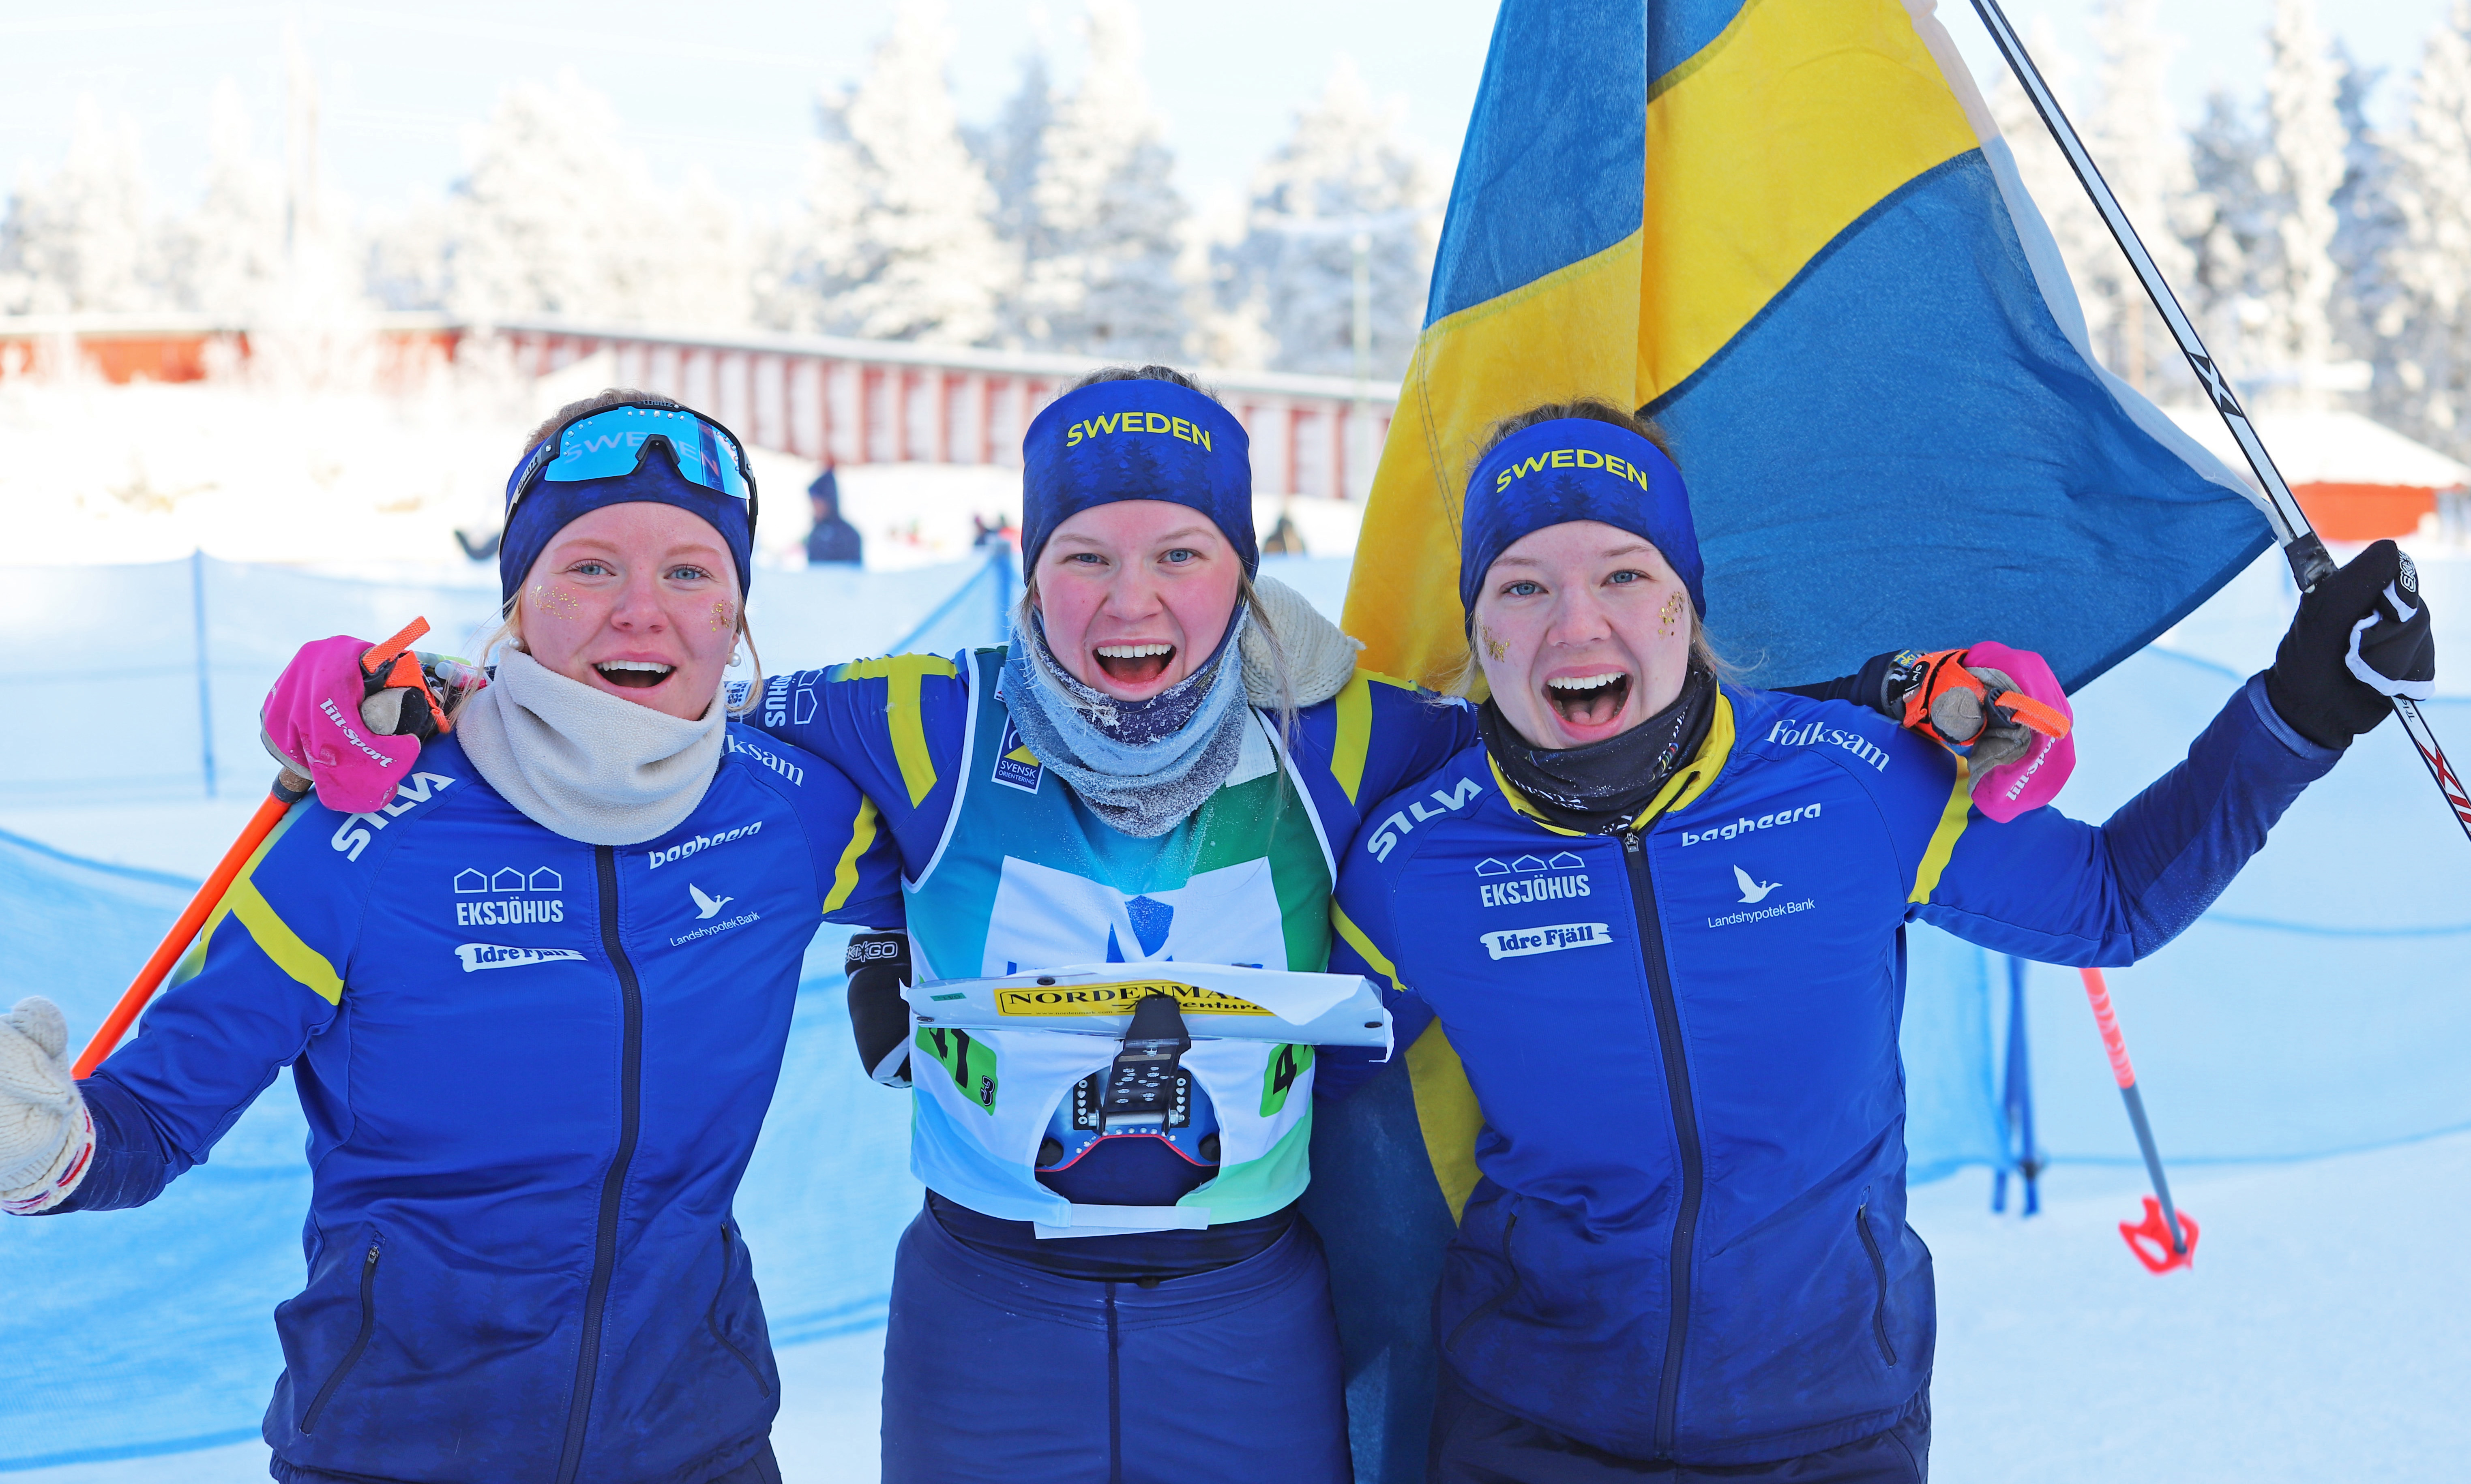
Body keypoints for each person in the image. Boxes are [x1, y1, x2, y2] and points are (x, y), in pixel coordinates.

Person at [242, 368, 2072, 1484]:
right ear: (1024, 567)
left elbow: (1608, 710)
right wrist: (421, 689)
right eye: (1083, 553)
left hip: (1242, 1309)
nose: (1133, 596)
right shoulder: (911, 722)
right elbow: (652, 712)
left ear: (1241, 565)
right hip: (982, 1308)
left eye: (1180, 550)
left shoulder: (1351, 735)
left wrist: (1899, 693)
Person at [1321, 400, 2432, 1482]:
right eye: (1522, 585)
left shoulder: (1850, 780)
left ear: (1683, 601)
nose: (1575, 625)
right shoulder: (1413, 859)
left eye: (1622, 572)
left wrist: (2301, 707)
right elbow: (1312, 1094)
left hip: (1827, 1421)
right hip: (1530, 1423)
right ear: (1478, 626)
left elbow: (2110, 900)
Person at [0, 392, 903, 1484]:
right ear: (517, 596)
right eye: (589, 565)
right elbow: (148, 1121)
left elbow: (981, 880)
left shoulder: (789, 812)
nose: (640, 609)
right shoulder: (357, 833)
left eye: (689, 571)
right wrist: (44, 1148)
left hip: (697, 1442)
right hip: (396, 1448)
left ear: (737, 611)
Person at [805, 464, 863, 566]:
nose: (815, 508)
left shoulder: (849, 535)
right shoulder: (815, 534)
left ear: (829, 501)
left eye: (818, 503)